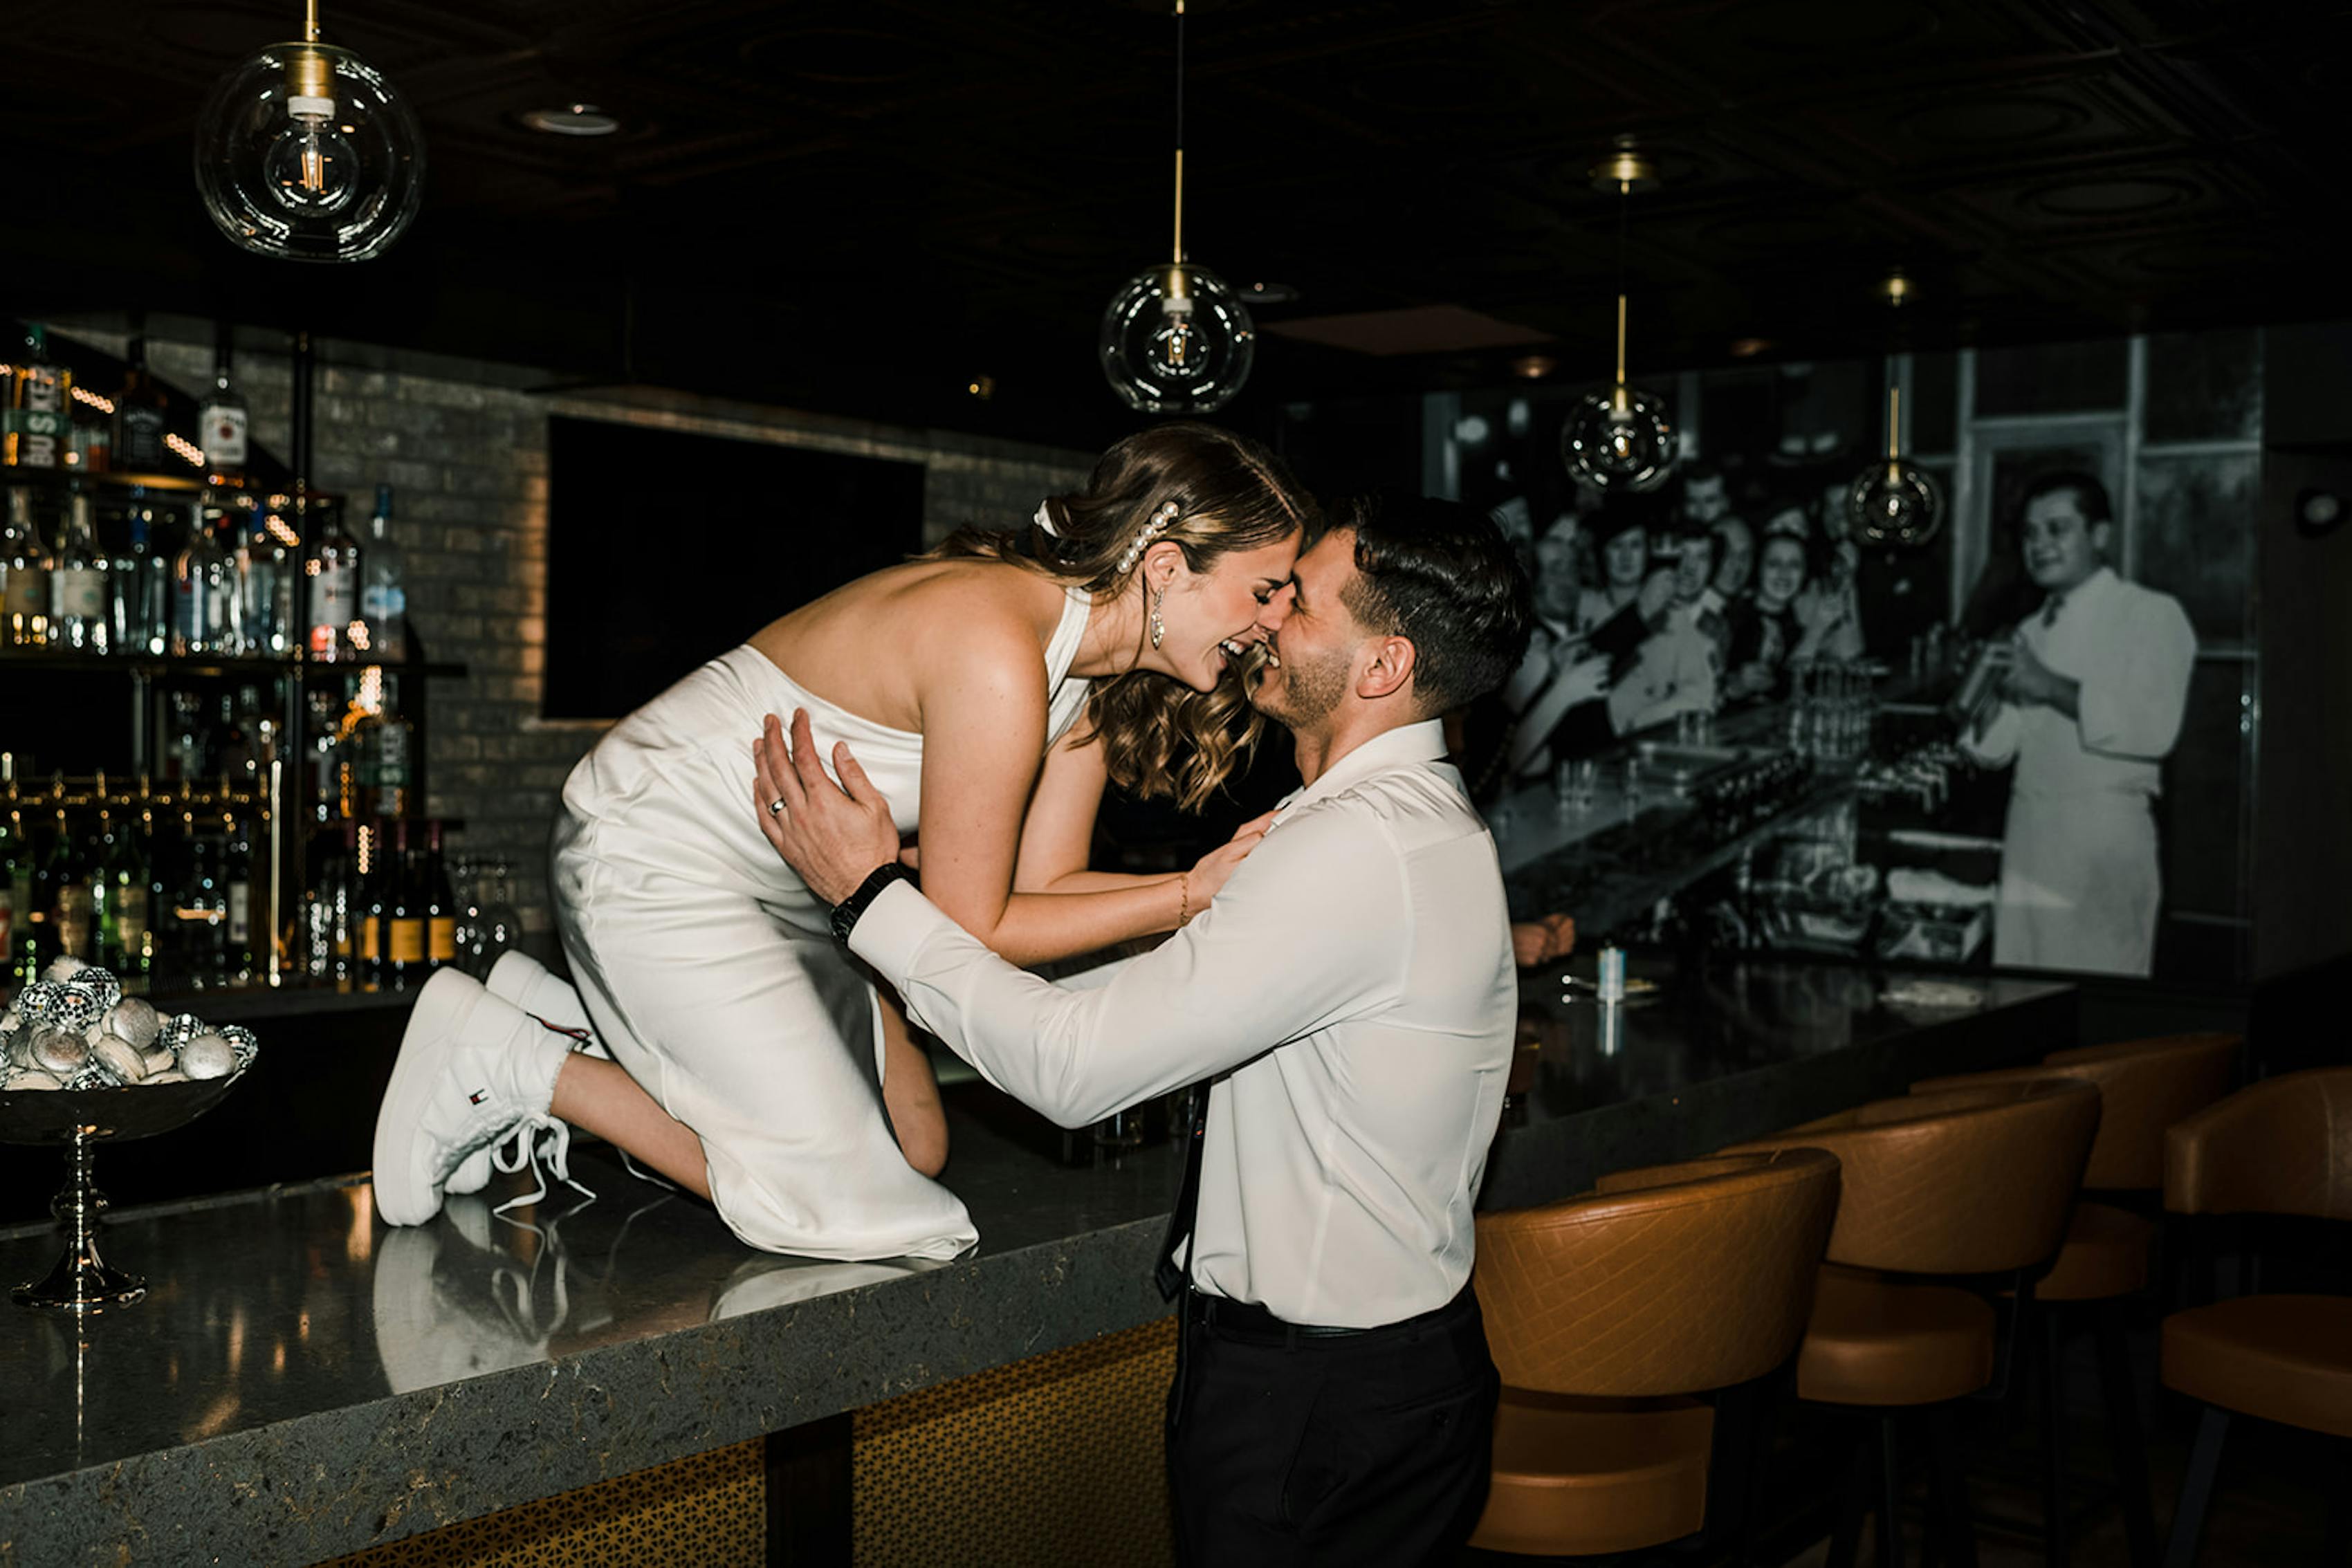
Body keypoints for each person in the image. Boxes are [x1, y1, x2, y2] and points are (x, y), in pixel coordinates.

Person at [751, 494, 1532, 1567]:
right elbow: (1170, 996)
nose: (1265, 621)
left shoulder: (1359, 850)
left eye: (1298, 601)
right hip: (1375, 1380)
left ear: (1382, 665)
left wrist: (870, 897)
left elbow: (1076, 1070)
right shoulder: (1405, 826)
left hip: (1319, 1399)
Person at [370, 423, 1314, 1262]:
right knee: (859, 1206)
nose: (1274, 623)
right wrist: (1193, 894)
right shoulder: (998, 646)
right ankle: (503, 1053)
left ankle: (555, 1015)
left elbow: (1048, 886)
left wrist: (1191, 892)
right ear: (1166, 565)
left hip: (791, 881)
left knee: (913, 1145)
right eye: (1265, 589)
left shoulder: (1085, 681)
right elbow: (974, 925)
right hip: (652, 849)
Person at [1961, 472, 2196, 975]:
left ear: (2100, 535)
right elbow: (2000, 746)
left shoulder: (2150, 614)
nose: (2039, 544)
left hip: (2101, 841)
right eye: (2030, 533)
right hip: (2027, 837)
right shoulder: (2028, 627)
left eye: (2057, 528)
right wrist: (1981, 695)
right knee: (2023, 1000)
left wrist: (2047, 684)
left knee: (2096, 1004)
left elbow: (2155, 727)